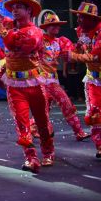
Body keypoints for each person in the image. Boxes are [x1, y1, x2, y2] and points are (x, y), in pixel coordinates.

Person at [0, 0, 54, 173]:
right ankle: (31, 157)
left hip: (34, 83)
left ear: (29, 10)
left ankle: (48, 152)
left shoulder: (35, 32)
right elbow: (6, 23)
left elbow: (17, 44)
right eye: (13, 7)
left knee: (42, 122)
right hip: (14, 85)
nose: (14, 10)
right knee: (21, 122)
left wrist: (1, 28)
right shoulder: (13, 27)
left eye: (19, 7)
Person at [66, 1, 101, 159]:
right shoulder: (81, 32)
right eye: (78, 17)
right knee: (94, 114)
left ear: (92, 19)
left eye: (82, 17)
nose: (78, 20)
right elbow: (80, 47)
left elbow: (99, 56)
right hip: (94, 79)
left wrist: (74, 56)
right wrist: (73, 49)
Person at [38, 12, 89, 141]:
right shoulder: (38, 40)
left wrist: (78, 47)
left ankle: (78, 132)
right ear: (46, 27)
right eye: (52, 25)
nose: (56, 28)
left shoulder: (60, 41)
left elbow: (70, 55)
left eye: (57, 25)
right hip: (40, 81)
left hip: (53, 81)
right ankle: (37, 130)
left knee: (66, 104)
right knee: (43, 109)